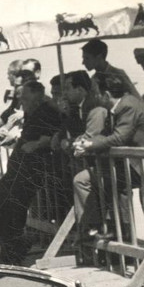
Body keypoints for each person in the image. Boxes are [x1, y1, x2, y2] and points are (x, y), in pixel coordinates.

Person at [76, 75, 144, 240]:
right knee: (142, 198)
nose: (94, 97)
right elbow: (106, 134)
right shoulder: (118, 108)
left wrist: (89, 145)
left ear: (106, 95)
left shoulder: (127, 105)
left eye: (96, 93)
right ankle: (128, 235)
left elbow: (119, 137)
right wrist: (85, 143)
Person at [0, 80, 63, 264]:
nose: (22, 101)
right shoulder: (31, 111)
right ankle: (15, 247)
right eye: (21, 97)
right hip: (18, 168)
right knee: (1, 212)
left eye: (26, 97)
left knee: (7, 211)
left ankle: (14, 251)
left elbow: (54, 135)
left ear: (38, 96)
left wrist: (37, 144)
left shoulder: (48, 111)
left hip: (31, 169)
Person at [58, 71, 109, 238]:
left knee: (82, 182)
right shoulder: (76, 109)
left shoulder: (95, 107)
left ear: (80, 89)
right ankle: (87, 230)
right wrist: (65, 115)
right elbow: (68, 136)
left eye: (67, 88)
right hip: (89, 161)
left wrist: (70, 143)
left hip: (103, 163)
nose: (64, 93)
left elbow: (88, 136)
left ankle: (90, 228)